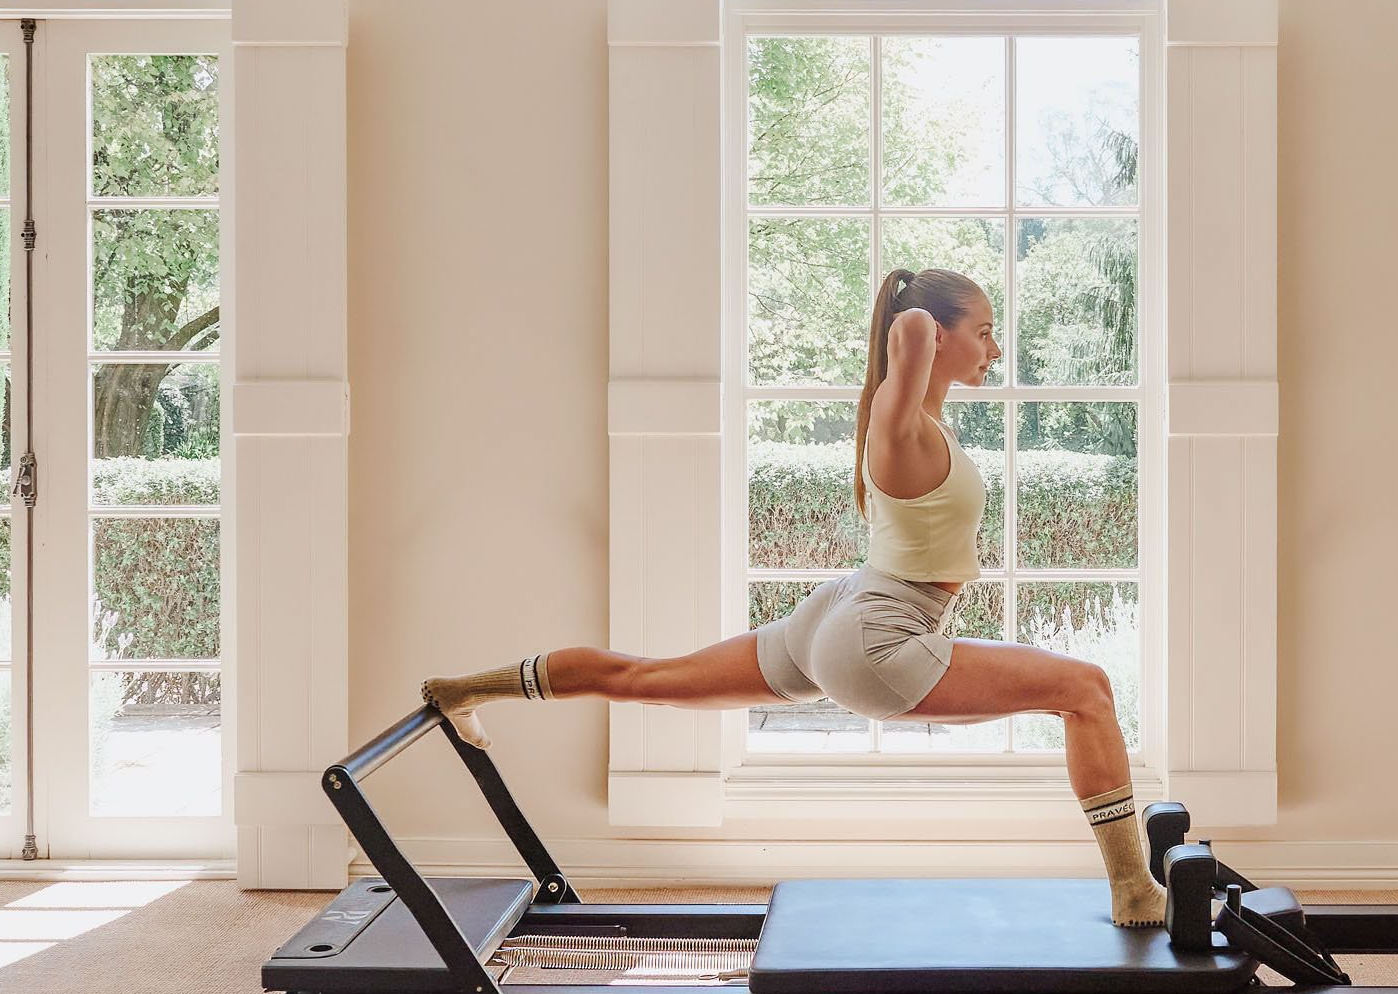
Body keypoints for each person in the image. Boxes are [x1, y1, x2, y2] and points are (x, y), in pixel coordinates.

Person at [422, 266, 1169, 926]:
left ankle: (461, 690)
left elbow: (913, 342)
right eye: (984, 331)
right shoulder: (897, 420)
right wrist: (912, 310)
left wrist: (928, 322)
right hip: (878, 633)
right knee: (1088, 690)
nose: (996, 349)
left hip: (835, 613)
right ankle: (1133, 887)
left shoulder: (918, 423)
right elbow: (907, 329)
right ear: (937, 336)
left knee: (643, 676)